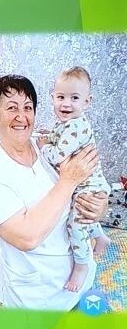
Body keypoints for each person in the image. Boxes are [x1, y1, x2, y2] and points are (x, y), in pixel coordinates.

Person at [0, 74, 108, 311]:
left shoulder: (46, 144)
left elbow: (89, 179)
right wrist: (68, 180)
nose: (22, 116)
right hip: (39, 294)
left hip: (82, 280)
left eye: (28, 107)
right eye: (11, 108)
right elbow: (27, 237)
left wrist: (100, 205)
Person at [36, 66, 112, 291]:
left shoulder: (76, 126)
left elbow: (58, 154)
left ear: (87, 102)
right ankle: (101, 237)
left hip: (89, 186)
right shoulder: (67, 124)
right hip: (85, 184)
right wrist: (48, 135)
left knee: (76, 224)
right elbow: (58, 136)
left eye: (74, 98)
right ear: (53, 97)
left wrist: (43, 146)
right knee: (84, 215)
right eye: (61, 97)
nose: (66, 104)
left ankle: (81, 265)